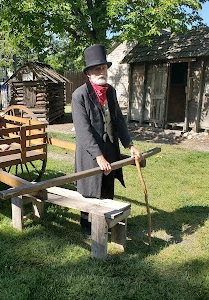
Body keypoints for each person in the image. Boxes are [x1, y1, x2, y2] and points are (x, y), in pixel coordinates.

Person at [71, 44, 142, 236]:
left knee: (107, 187)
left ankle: (106, 222)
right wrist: (98, 156)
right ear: (88, 73)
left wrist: (130, 145)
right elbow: (83, 130)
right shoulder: (79, 95)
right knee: (90, 190)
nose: (102, 72)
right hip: (90, 155)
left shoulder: (110, 91)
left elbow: (118, 120)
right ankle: (87, 227)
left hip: (110, 149)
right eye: (97, 69)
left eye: (103, 68)